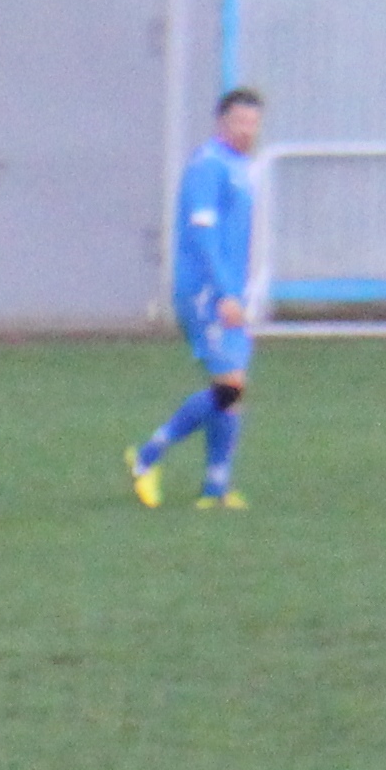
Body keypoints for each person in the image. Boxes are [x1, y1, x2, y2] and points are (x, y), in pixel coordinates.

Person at [130, 90, 261, 512]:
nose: (248, 130)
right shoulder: (208, 166)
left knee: (233, 388)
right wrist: (224, 292)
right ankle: (147, 456)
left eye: (253, 122)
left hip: (229, 292)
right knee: (230, 386)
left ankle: (215, 489)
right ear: (221, 122)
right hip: (206, 292)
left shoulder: (239, 167)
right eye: (240, 121)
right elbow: (203, 235)